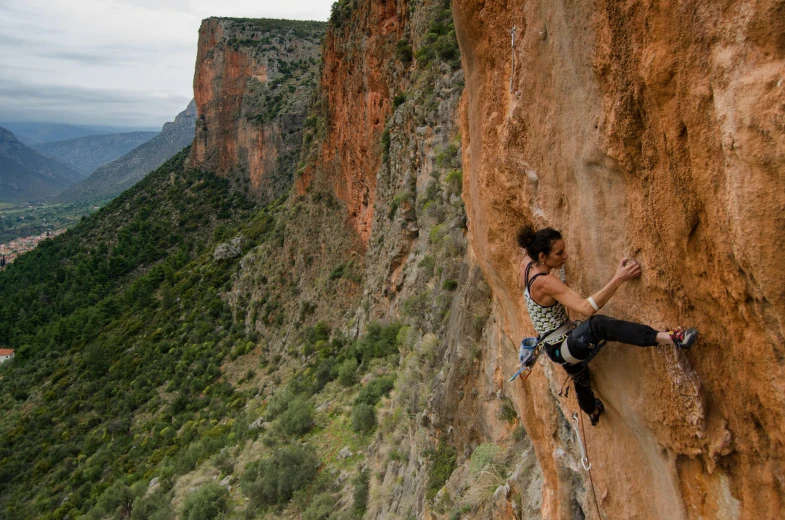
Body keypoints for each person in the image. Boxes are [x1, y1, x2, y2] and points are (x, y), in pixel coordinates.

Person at [517, 225, 698, 425]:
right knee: (597, 326)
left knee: (579, 373)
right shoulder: (545, 282)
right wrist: (618, 278)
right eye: (559, 253)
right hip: (561, 347)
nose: (565, 257)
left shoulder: (527, 265)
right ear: (542, 257)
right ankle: (668, 338)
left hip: (557, 344)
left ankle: (592, 411)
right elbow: (586, 309)